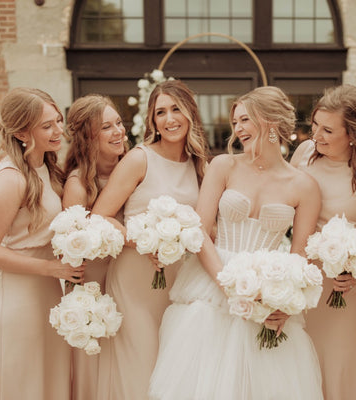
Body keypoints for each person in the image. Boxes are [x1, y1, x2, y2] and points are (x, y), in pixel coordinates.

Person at [149, 86, 323, 400]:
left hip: (267, 288)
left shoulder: (304, 185)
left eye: (245, 119)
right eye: (236, 122)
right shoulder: (224, 166)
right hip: (212, 283)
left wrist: (282, 303)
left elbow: (300, 255)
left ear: (270, 120)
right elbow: (199, 231)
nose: (238, 129)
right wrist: (227, 284)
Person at [92, 80, 209, 399]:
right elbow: (100, 216)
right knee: (141, 365)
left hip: (177, 280)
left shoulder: (199, 165)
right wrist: (145, 242)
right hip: (134, 280)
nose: (170, 119)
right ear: (152, 120)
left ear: (190, 114)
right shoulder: (140, 158)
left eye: (176, 110)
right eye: (161, 112)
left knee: (169, 366)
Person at [0, 87, 84, 400]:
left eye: (58, 121)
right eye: (47, 126)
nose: (59, 130)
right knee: (20, 380)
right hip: (17, 295)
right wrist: (49, 267)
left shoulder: (47, 169)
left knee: (45, 379)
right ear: (22, 132)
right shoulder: (11, 178)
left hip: (45, 290)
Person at [291, 84, 356, 399]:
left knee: (347, 364)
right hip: (306, 280)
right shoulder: (304, 154)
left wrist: (354, 268)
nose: (316, 136)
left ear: (352, 133)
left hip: (349, 287)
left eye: (327, 130)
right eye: (314, 127)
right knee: (305, 362)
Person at [62, 94, 127, 400]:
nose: (118, 132)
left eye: (119, 123)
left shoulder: (131, 169)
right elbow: (70, 250)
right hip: (95, 289)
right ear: (87, 137)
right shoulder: (79, 185)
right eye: (106, 127)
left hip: (131, 282)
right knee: (94, 365)